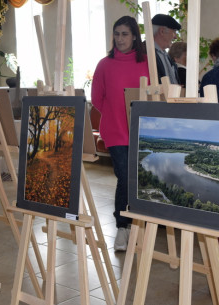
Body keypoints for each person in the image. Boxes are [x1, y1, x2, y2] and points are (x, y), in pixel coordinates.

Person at [91, 16, 149, 251]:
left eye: (125, 34)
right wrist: (115, 113)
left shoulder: (146, 62)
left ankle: (139, 225)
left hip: (142, 130)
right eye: (117, 34)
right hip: (115, 130)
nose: (120, 38)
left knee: (140, 179)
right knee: (124, 176)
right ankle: (122, 228)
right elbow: (97, 98)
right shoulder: (105, 64)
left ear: (135, 36)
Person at [151, 14, 182, 84]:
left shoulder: (166, 56)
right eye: (174, 31)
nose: (176, 37)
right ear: (162, 31)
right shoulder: (145, 53)